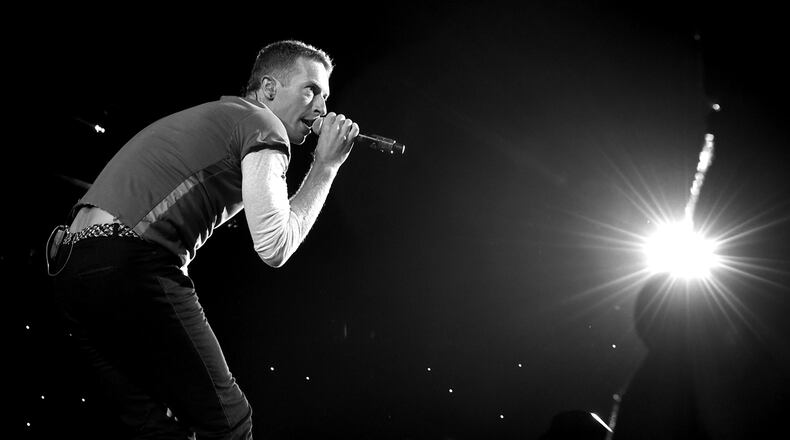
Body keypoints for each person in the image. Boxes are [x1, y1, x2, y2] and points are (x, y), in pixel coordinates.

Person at [46, 40, 359, 439]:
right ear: (268, 89)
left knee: (156, 427)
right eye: (310, 89)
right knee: (229, 423)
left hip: (71, 270)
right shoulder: (264, 126)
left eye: (326, 96)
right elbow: (275, 246)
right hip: (128, 261)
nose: (322, 108)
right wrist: (326, 166)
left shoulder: (221, 116)